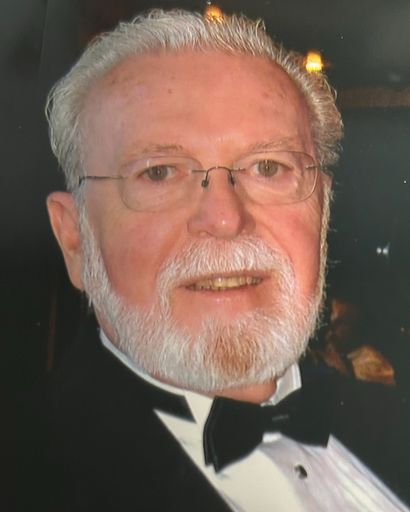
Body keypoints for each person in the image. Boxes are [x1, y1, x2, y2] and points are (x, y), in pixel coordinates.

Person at [34, 8, 408, 512]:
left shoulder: (394, 420)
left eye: (267, 167)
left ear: (323, 211)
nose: (226, 218)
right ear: (74, 238)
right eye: (160, 172)